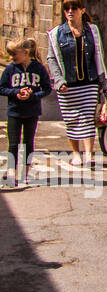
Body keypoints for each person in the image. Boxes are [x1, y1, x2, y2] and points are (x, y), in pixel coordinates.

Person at [46, 0, 107, 166]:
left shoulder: (93, 31)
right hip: (68, 85)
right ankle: (76, 153)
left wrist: (102, 81)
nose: (69, 12)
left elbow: (99, 56)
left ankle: (89, 154)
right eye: (66, 9)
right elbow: (51, 59)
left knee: (88, 118)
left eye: (74, 9)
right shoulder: (56, 34)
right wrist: (59, 81)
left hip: (89, 83)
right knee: (71, 119)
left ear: (82, 11)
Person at [1, 38, 51, 185]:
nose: (11, 58)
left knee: (28, 142)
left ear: (26, 52)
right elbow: (1, 88)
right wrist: (16, 92)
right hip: (14, 112)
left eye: (14, 55)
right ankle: (11, 172)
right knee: (13, 143)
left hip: (32, 111)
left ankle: (27, 173)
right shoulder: (10, 69)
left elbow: (47, 88)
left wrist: (33, 96)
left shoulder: (39, 68)